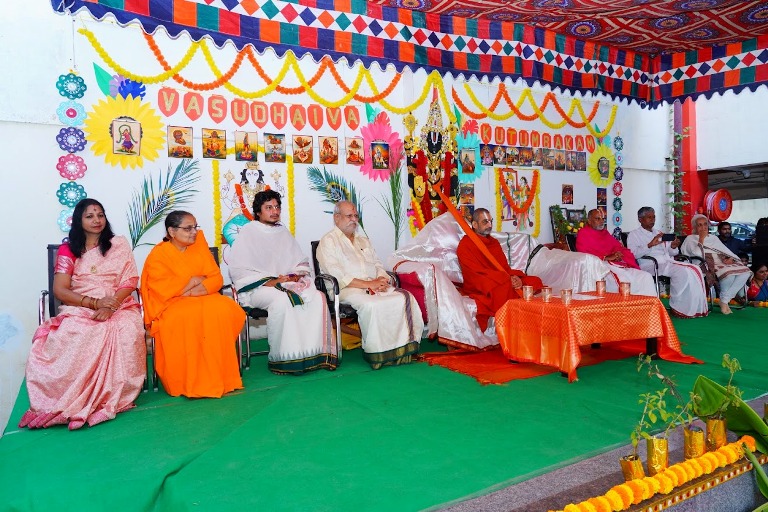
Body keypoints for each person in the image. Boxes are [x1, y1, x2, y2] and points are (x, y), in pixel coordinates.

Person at [20, 198, 146, 430]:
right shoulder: (70, 249)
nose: (97, 220)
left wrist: (110, 306)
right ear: (79, 221)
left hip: (118, 303)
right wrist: (95, 303)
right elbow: (60, 290)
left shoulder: (118, 244)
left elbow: (129, 280)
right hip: (81, 304)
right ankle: (70, 398)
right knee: (75, 332)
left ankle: (109, 396)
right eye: (89, 216)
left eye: (100, 214)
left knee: (126, 327)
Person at [228, 190, 339, 374]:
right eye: (269, 207)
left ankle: (314, 354)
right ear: (258, 211)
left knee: (317, 297)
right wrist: (272, 281)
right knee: (282, 301)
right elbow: (240, 270)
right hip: (258, 288)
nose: (274, 211)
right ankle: (286, 359)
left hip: (286, 283)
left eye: (277, 207)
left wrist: (295, 275)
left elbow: (298, 261)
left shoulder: (282, 231)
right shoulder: (249, 232)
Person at [141, 211, 245, 397]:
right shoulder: (158, 255)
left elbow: (216, 279)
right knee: (187, 317)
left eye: (195, 227)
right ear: (171, 231)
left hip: (202, 297)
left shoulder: (198, 246)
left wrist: (190, 289)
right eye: (188, 228)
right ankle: (188, 382)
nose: (194, 232)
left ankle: (220, 378)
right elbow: (161, 288)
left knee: (224, 309)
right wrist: (192, 281)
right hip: (171, 304)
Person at [316, 201, 423, 369]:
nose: (353, 219)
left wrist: (381, 281)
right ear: (337, 218)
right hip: (345, 290)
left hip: (372, 286)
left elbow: (378, 265)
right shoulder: (328, 241)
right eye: (349, 216)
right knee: (373, 305)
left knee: (404, 297)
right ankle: (379, 355)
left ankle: (403, 351)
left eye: (356, 216)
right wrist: (368, 284)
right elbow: (338, 276)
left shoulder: (363, 240)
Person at [457, 208, 543, 331]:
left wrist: (517, 279)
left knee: (534, 281)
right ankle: (512, 325)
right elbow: (473, 274)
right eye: (485, 222)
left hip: (500, 278)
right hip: (481, 283)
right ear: (474, 225)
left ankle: (525, 313)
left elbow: (504, 268)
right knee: (503, 285)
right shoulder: (465, 245)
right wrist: (505, 278)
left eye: (490, 221)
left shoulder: (494, 243)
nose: (489, 225)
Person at [626, 207, 708, 318]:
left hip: (666, 261)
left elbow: (671, 252)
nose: (652, 220)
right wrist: (650, 245)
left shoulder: (659, 233)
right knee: (682, 271)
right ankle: (678, 308)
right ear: (640, 219)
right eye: (649, 217)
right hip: (650, 265)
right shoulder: (634, 235)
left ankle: (693, 308)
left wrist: (673, 246)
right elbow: (632, 254)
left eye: (654, 217)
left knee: (694, 268)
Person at [681, 214, 751, 315]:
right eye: (700, 225)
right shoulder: (690, 239)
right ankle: (724, 302)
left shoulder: (713, 238)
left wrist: (730, 258)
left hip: (722, 261)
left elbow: (725, 251)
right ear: (695, 227)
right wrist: (701, 239)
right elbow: (696, 254)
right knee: (729, 276)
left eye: (705, 224)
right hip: (705, 263)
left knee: (746, 272)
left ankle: (724, 300)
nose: (703, 227)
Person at [576, 209, 656, 296]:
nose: (601, 221)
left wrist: (619, 254)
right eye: (597, 219)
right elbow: (584, 256)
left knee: (646, 277)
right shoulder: (583, 233)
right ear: (589, 221)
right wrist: (607, 257)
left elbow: (618, 247)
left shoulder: (605, 233)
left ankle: (648, 308)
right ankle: (628, 308)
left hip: (618, 264)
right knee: (624, 280)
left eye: (603, 219)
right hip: (601, 266)